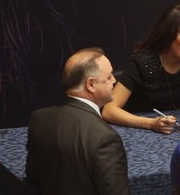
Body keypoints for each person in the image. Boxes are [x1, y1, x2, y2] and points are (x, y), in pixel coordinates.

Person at [25, 47, 130, 194]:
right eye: (109, 77)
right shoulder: (104, 138)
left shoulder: (39, 118)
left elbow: (33, 178)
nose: (114, 80)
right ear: (91, 84)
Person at [102, 5, 180, 134]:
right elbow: (108, 110)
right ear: (168, 35)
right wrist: (150, 124)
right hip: (143, 135)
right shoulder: (143, 62)